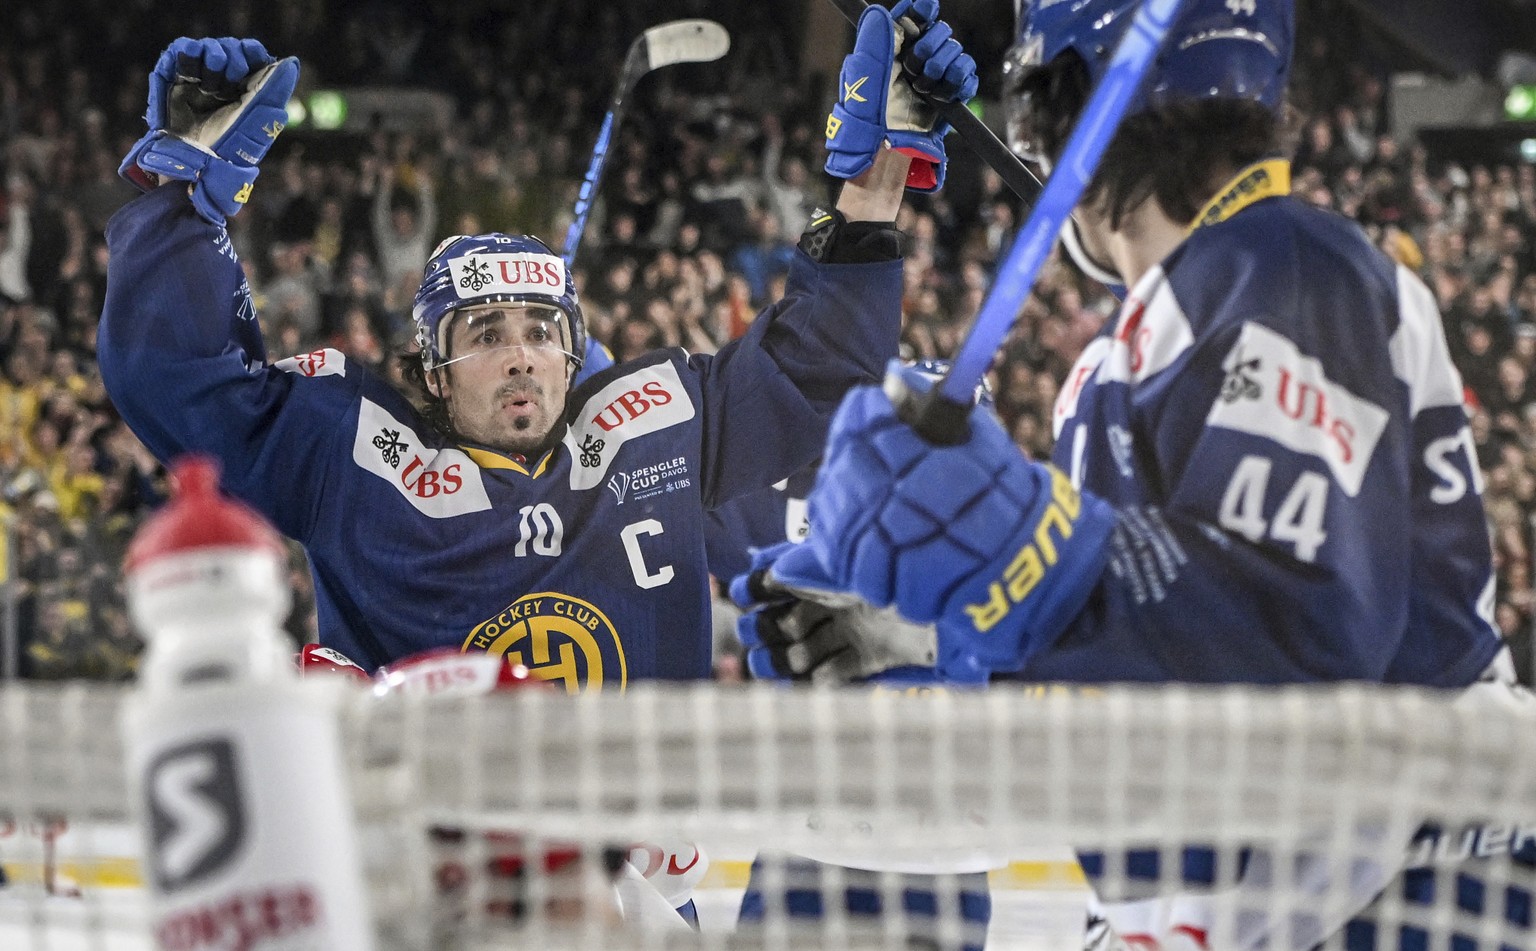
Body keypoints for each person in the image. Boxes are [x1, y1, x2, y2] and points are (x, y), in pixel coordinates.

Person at [736, 0, 1518, 945]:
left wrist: (1025, 557)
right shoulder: (1146, 339)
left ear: (1061, 95)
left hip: (1398, 896)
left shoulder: (1282, 261)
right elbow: (1148, 694)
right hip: (1250, 903)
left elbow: (1303, 634)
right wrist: (953, 641)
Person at [97, 24, 976, 687]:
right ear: (433, 370)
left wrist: (877, 182)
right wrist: (186, 199)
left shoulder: (656, 424)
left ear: (573, 349)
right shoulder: (352, 453)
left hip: (629, 890)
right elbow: (176, 382)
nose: (520, 355)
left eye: (539, 330)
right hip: (425, 878)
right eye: (485, 335)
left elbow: (820, 367)